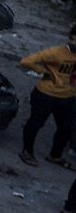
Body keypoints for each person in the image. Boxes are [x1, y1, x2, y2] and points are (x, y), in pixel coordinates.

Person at [18, 26, 76, 166]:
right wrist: (44, 71)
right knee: (36, 123)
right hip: (46, 94)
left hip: (68, 96)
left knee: (67, 127)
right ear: (71, 38)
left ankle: (55, 155)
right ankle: (27, 152)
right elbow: (26, 62)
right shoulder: (56, 52)